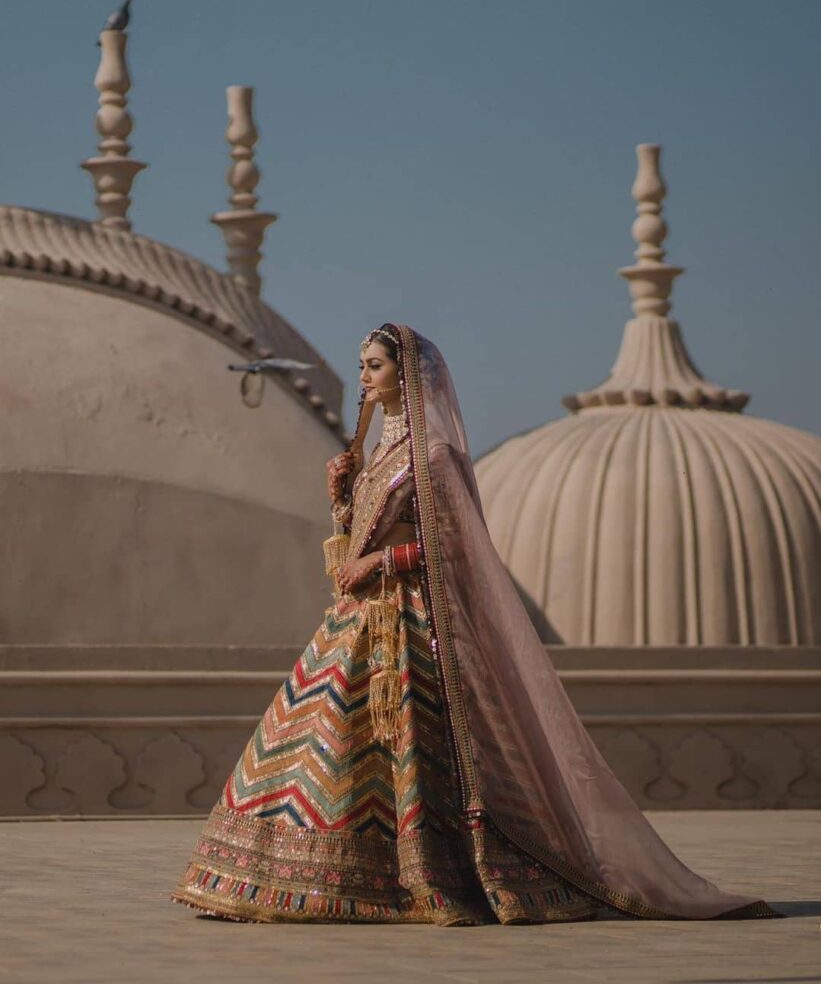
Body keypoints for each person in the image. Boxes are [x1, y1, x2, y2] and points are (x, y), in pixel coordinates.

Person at [171, 323, 777, 925]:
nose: (362, 378)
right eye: (361, 365)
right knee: (313, 743)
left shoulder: (432, 457)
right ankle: (298, 878)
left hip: (409, 628)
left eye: (374, 365)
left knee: (412, 756)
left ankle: (422, 878)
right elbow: (355, 543)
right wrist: (341, 497)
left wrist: (381, 561)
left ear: (405, 375)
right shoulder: (378, 453)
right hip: (358, 625)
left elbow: (456, 547)